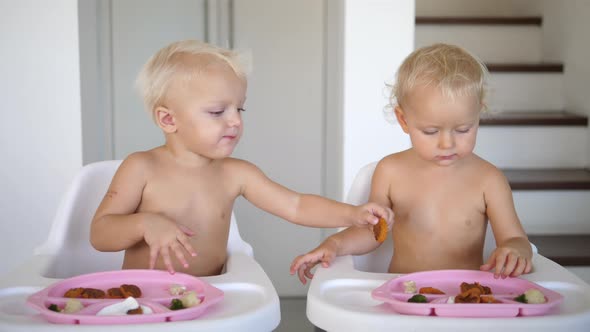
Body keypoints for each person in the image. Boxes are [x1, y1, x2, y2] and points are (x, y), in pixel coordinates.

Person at [90, 40, 393, 276]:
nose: (235, 121)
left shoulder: (236, 174)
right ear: (168, 120)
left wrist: (352, 215)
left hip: (208, 297)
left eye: (240, 109)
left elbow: (296, 205)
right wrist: (145, 224)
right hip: (143, 298)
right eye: (217, 111)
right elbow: (100, 234)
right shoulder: (142, 167)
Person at [290, 43, 533, 284]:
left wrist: (514, 251)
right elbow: (372, 234)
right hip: (403, 294)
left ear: (477, 114)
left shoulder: (489, 180)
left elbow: (516, 239)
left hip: (465, 299)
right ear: (403, 120)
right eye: (430, 131)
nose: (447, 143)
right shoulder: (390, 172)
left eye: (462, 129)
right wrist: (334, 244)